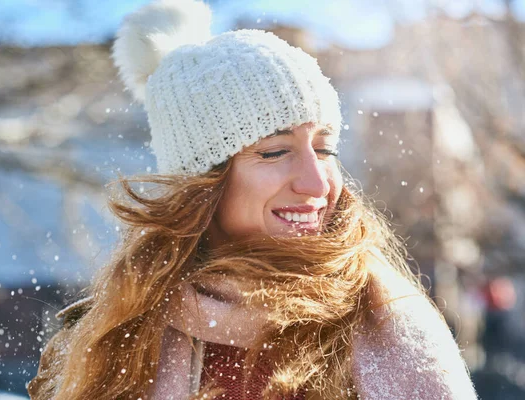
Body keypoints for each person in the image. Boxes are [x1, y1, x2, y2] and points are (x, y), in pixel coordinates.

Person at [27, 0, 478, 399]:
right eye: (275, 151)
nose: (317, 183)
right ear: (204, 181)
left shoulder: (387, 326)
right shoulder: (113, 336)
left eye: (324, 149)